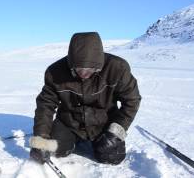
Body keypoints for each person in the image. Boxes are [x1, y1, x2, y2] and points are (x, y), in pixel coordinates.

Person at [30, 32, 141, 165]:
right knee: (53, 149)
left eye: (89, 69)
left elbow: (132, 101)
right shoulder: (55, 72)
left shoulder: (117, 68)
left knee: (111, 156)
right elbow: (45, 105)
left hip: (103, 124)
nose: (83, 74)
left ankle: (101, 141)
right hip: (69, 122)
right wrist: (40, 139)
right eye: (78, 69)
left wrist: (115, 133)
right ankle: (72, 140)